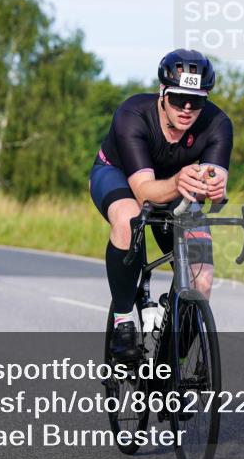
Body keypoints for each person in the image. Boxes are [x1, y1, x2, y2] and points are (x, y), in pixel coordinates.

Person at [89, 49, 232, 360]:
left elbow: (216, 185)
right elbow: (144, 193)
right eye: (179, 98)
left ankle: (172, 364)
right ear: (163, 93)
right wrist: (178, 182)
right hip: (120, 176)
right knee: (128, 219)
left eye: (197, 99)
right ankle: (124, 321)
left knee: (202, 278)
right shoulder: (133, 114)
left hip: (176, 183)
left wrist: (216, 189)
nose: (188, 107)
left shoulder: (218, 123)